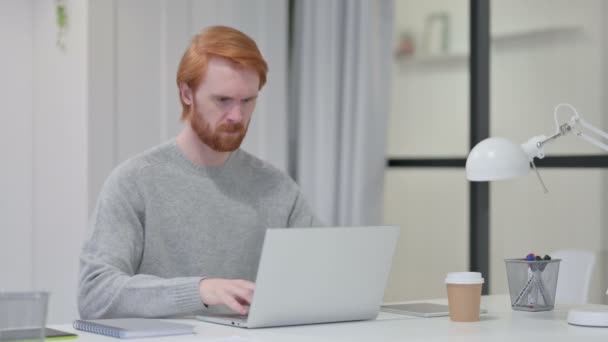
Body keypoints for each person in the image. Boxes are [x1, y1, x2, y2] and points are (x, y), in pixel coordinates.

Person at [78, 25, 321, 319]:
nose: (237, 116)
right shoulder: (134, 181)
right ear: (187, 93)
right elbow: (95, 294)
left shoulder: (278, 189)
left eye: (248, 101)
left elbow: (324, 277)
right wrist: (200, 290)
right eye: (223, 100)